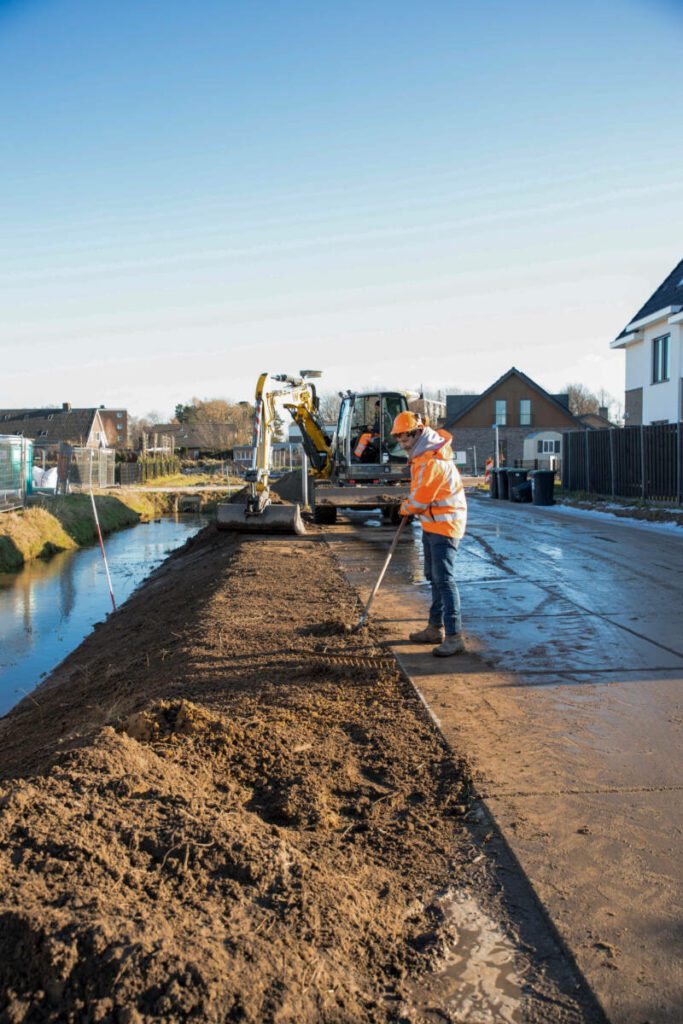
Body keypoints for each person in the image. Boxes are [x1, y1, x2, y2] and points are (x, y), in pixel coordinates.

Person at [392, 411, 467, 657]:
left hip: (444, 528)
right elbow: (419, 493)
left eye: (405, 439)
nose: (402, 445)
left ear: (417, 433)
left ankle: (455, 637)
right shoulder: (422, 458)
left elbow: (421, 499)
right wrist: (410, 502)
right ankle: (435, 628)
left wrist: (406, 506)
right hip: (432, 525)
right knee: (433, 577)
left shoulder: (432, 461)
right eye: (399, 441)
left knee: (444, 579)